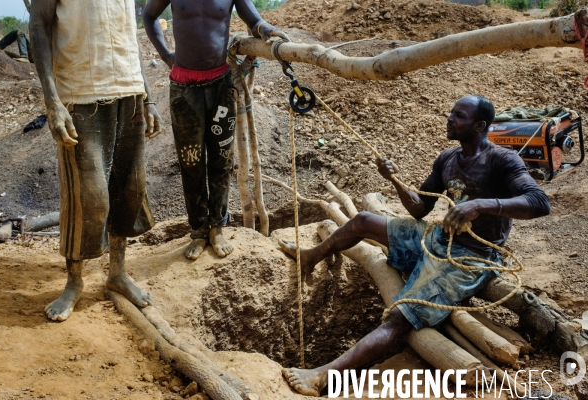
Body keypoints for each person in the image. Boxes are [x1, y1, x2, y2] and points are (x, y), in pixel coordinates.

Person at [279, 95, 551, 396]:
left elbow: (539, 202)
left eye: (458, 115)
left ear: (479, 125)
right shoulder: (448, 159)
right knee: (364, 220)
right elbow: (420, 209)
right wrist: (394, 180)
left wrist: (480, 206)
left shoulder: (502, 160)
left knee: (399, 316)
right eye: (452, 112)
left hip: (473, 257)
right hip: (438, 238)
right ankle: (311, 256)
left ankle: (322, 377)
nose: (449, 118)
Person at [30, 0, 162, 321]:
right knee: (89, 197)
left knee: (129, 189)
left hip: (129, 93)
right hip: (80, 92)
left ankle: (117, 273)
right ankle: (74, 282)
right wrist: (52, 102)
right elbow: (38, 26)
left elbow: (129, 37)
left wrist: (148, 96)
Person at [143, 0, 289, 260]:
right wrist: (166, 56)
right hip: (183, 89)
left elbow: (254, 20)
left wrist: (265, 27)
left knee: (222, 160)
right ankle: (199, 230)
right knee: (191, 162)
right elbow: (149, 15)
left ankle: (217, 227)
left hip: (220, 85)